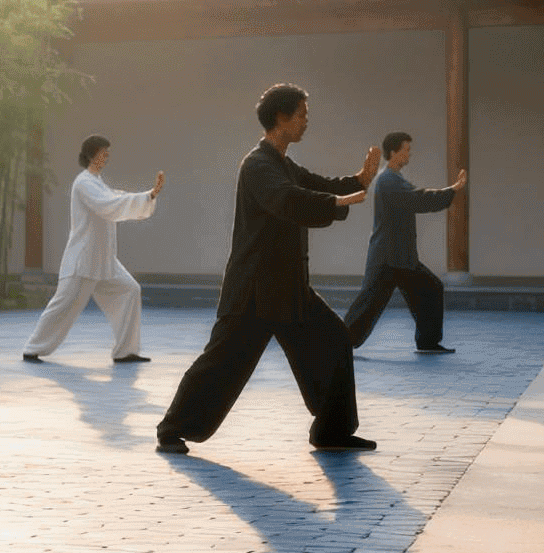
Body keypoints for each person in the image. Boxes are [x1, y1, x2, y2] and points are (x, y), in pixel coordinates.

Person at [156, 84, 380, 454]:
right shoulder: (258, 165)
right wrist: (337, 201)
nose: (307, 122)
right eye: (302, 114)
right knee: (222, 361)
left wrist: (358, 181)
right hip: (254, 289)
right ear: (281, 117)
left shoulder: (283, 164)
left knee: (334, 341)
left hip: (289, 286)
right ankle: (171, 429)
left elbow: (315, 185)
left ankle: (331, 431)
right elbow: (287, 199)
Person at [22, 135, 164, 364]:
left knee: (129, 290)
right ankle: (33, 348)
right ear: (91, 155)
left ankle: (125, 351)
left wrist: (150, 195)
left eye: (107, 153)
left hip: (103, 259)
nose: (106, 157)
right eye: (102, 153)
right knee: (63, 304)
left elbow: (115, 198)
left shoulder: (97, 182)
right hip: (84, 259)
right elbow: (109, 206)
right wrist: (147, 196)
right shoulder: (84, 183)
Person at [345, 131, 467, 355]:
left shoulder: (394, 178)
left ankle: (428, 343)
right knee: (367, 305)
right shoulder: (388, 180)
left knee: (430, 288)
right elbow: (418, 199)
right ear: (393, 153)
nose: (409, 154)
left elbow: (416, 198)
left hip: (399, 257)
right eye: (406, 150)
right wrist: (452, 191)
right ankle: (339, 344)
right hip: (388, 257)